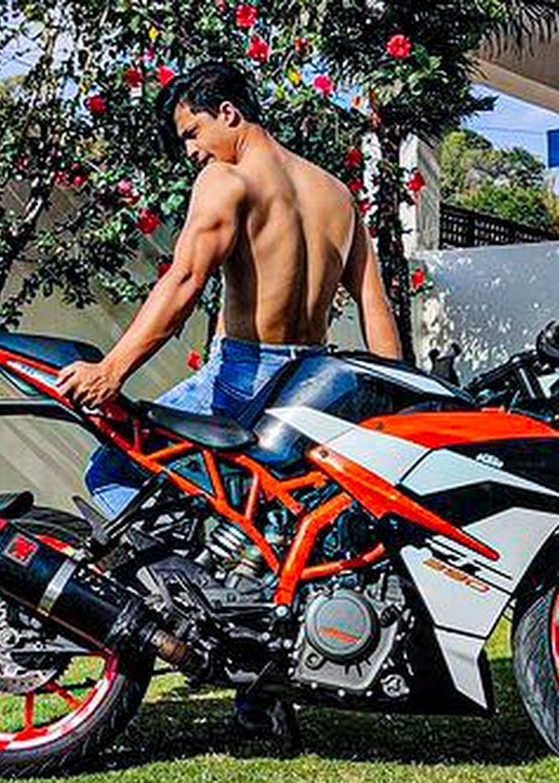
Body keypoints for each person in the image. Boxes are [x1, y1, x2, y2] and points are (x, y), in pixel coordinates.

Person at [57, 61, 401, 518]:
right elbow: (374, 303)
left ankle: (182, 567)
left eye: (193, 133)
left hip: (246, 373)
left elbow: (185, 279)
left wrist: (111, 370)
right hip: (313, 385)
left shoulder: (227, 179)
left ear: (228, 113)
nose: (191, 151)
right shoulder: (337, 193)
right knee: (258, 508)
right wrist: (398, 402)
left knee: (112, 470)